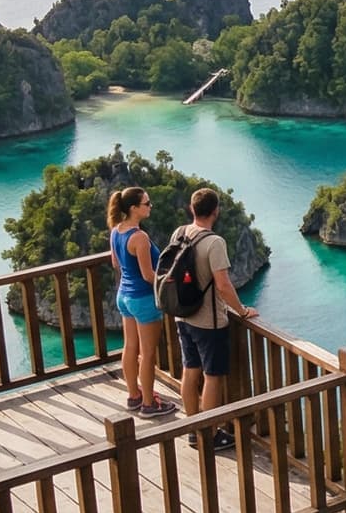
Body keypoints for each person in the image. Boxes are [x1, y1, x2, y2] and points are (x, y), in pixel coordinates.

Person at [168, 185, 257, 447]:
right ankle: (209, 433)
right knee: (213, 375)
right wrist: (241, 310)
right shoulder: (214, 242)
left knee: (190, 370)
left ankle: (193, 428)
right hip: (209, 321)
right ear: (215, 212)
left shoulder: (180, 232)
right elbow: (223, 285)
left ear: (192, 209)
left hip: (182, 316)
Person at [108, 185, 174, 417]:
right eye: (147, 203)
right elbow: (148, 275)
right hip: (143, 299)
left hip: (124, 296)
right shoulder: (140, 237)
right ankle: (149, 403)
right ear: (134, 208)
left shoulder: (116, 230)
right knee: (147, 354)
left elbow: (116, 263)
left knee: (130, 346)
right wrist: (169, 280)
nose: (150, 206)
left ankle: (134, 396)